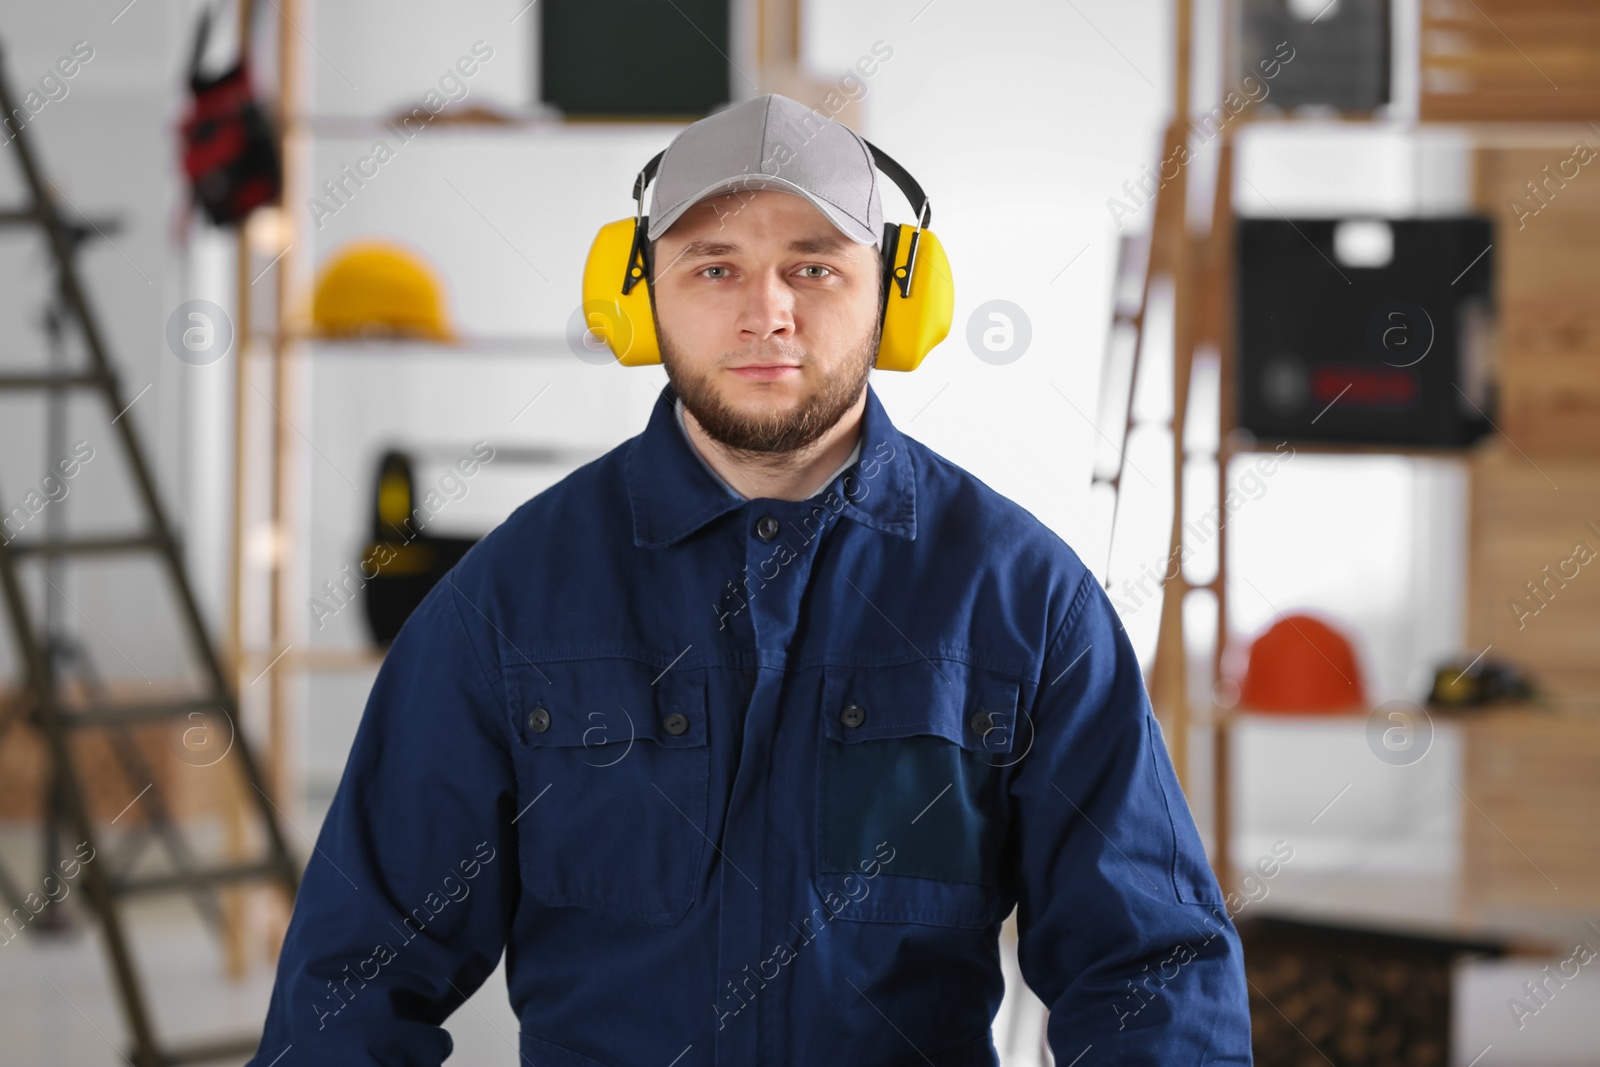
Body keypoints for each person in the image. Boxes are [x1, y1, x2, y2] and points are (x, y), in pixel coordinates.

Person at [247, 92, 1251, 1066]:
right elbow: (355, 977)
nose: (765, 313)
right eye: (714, 266)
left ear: (900, 295)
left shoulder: (1021, 597)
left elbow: (1149, 968)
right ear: (636, 294)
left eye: (812, 268)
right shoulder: (507, 599)